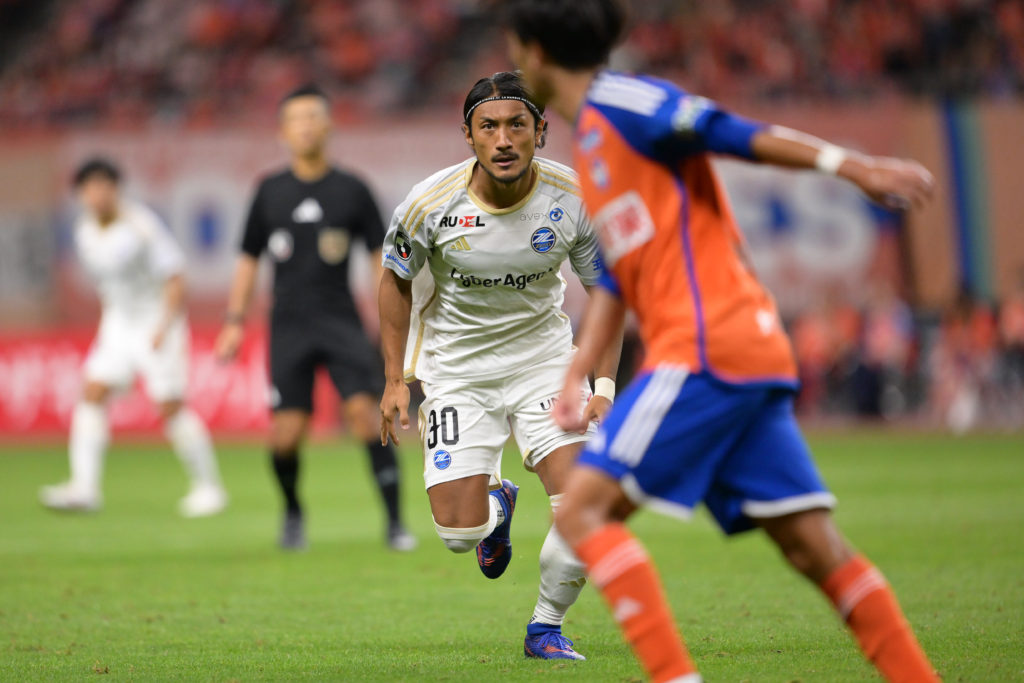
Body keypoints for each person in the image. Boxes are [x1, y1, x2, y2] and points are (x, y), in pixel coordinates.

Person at [504, 2, 940, 681]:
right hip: (744, 352)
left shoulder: (620, 103)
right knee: (814, 548)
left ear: (533, 51)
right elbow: (620, 271)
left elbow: (728, 130)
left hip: (704, 348)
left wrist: (854, 167)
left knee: (584, 511)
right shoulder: (590, 137)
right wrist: (579, 368)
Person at [378, 71, 622, 660]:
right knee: (458, 534)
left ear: (541, 130)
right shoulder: (430, 203)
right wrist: (393, 380)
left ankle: (545, 628)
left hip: (545, 364)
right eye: (489, 126)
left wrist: (604, 385)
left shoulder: (574, 199)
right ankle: (497, 505)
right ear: (468, 135)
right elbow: (394, 280)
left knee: (585, 504)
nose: (504, 139)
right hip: (457, 370)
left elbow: (609, 295)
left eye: (518, 124)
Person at [215, 84, 415, 552]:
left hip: (341, 320)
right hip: (288, 326)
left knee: (366, 417)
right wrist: (234, 320)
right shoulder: (269, 191)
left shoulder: (353, 189)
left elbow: (379, 259)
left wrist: (390, 318)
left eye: (313, 117)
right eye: (296, 119)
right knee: (286, 435)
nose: (305, 126)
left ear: (328, 125)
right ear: (282, 132)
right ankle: (292, 513)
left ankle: (395, 523)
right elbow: (248, 259)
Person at [40, 158, 227, 517]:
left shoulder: (141, 227)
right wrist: (111, 324)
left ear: (117, 190)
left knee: (169, 406)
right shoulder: (84, 230)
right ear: (81, 195)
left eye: (104, 186)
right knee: (92, 392)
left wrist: (164, 325)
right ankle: (84, 488)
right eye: (89, 188)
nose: (97, 195)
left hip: (156, 322)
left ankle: (209, 488)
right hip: (118, 324)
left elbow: (176, 276)